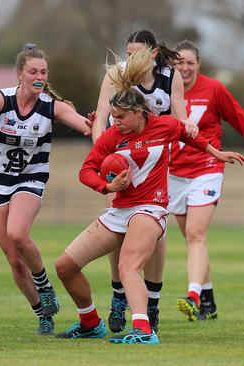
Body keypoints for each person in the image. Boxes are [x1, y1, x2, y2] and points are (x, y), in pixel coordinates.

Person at [54, 48, 244, 345]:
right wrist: (107, 187)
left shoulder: (163, 125)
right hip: (120, 210)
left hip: (150, 209)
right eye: (113, 116)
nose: (115, 121)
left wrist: (216, 152)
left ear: (139, 112)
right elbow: (86, 171)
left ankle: (143, 329)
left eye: (120, 117)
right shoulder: (111, 137)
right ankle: (90, 321)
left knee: (128, 266)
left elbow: (189, 134)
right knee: (64, 266)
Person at [0, 43, 92, 336]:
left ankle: (44, 284)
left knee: (18, 233)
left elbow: (87, 128)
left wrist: (96, 124)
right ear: (19, 74)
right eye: (33, 71)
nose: (39, 76)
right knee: (14, 260)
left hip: (30, 178)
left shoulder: (52, 106)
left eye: (43, 71)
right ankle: (42, 312)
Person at [170, 40, 244, 321]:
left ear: (199, 64)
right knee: (191, 239)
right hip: (173, 172)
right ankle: (208, 300)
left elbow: (241, 119)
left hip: (207, 167)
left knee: (196, 235)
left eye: (190, 63)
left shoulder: (214, 89)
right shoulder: (163, 89)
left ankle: (193, 297)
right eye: (179, 63)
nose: (185, 68)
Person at [91, 29, 194, 334]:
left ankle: (152, 299)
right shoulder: (117, 74)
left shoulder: (169, 75)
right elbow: (99, 119)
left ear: (152, 52)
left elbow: (181, 115)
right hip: (121, 157)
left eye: (136, 51)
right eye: (128, 51)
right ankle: (120, 294)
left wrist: (187, 130)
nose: (130, 57)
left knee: (155, 231)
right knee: (118, 226)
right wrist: (102, 158)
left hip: (154, 160)